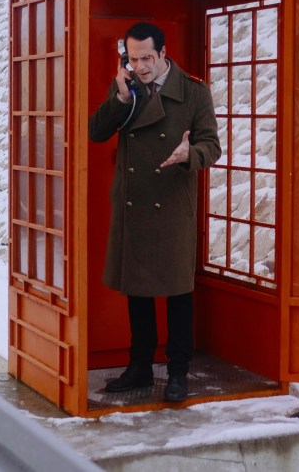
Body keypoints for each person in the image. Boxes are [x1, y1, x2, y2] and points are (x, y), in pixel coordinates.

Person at [89, 22, 221, 403]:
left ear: (163, 53)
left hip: (172, 204)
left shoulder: (193, 92)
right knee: (138, 292)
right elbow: (95, 132)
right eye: (133, 59)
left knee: (178, 294)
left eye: (147, 57)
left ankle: (178, 372)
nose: (141, 66)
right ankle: (140, 367)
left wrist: (189, 154)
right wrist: (119, 98)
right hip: (134, 203)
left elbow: (212, 146)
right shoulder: (126, 90)